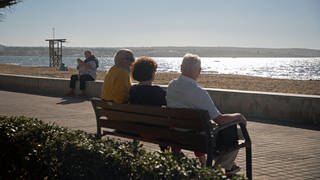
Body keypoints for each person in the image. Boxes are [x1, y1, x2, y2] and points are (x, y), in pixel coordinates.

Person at [166, 53, 247, 174]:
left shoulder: (171, 86)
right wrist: (239, 116)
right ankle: (220, 168)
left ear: (181, 67)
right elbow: (219, 119)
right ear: (199, 71)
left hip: (176, 134)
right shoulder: (199, 92)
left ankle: (228, 166)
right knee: (236, 132)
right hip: (199, 138)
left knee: (226, 132)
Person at [128, 56, 168, 151]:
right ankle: (165, 152)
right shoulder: (157, 91)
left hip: (136, 128)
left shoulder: (133, 90)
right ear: (152, 74)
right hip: (156, 131)